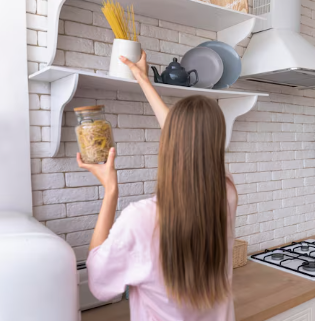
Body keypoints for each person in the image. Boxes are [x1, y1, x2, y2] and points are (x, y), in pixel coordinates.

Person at [77, 50, 238, 320]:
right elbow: (189, 140)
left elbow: (98, 281)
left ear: (168, 145)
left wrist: (110, 191)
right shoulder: (226, 193)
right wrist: (143, 80)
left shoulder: (141, 218)